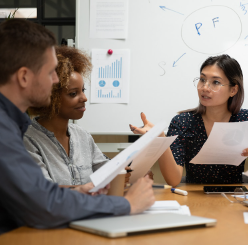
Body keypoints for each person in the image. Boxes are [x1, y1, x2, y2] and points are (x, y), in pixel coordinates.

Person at [0, 19, 154, 234]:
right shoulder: (6, 132)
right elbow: (44, 204)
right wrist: (127, 205)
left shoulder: (10, 125)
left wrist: (81, 190)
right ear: (24, 77)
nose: (55, 80)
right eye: (50, 72)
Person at [130, 54, 248, 186]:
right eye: (202, 80)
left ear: (233, 90)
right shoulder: (182, 122)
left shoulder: (247, 120)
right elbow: (173, 181)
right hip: (194, 197)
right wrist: (160, 137)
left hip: (234, 197)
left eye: (215, 82)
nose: (205, 88)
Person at [23, 46, 135, 189]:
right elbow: (43, 191)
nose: (84, 98)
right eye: (73, 93)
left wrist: (129, 171)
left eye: (83, 90)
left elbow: (105, 168)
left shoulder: (82, 135)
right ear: (50, 96)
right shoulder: (28, 140)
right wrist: (88, 188)